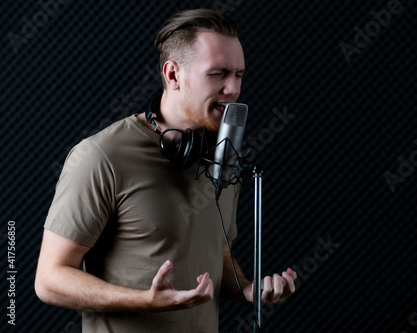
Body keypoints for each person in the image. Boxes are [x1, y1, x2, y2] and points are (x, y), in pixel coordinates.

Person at [35, 8, 296, 333]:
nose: (233, 88)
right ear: (172, 75)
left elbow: (216, 250)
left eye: (239, 75)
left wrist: (246, 289)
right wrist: (144, 301)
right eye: (218, 74)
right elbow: (49, 280)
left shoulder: (224, 155)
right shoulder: (102, 156)